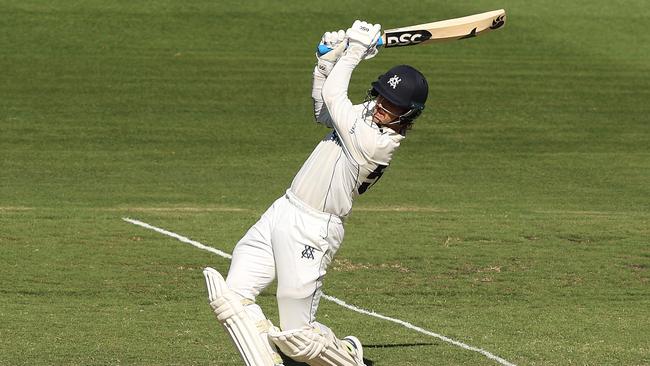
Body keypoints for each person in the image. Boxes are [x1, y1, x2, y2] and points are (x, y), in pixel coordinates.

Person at [202, 20, 428, 366]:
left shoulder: (377, 144)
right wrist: (325, 63)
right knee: (231, 298)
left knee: (298, 337)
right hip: (284, 209)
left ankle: (349, 357)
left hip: (314, 229)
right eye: (382, 95)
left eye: (393, 104)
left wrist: (353, 53)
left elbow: (335, 97)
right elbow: (324, 111)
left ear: (408, 114)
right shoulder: (365, 118)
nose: (383, 104)